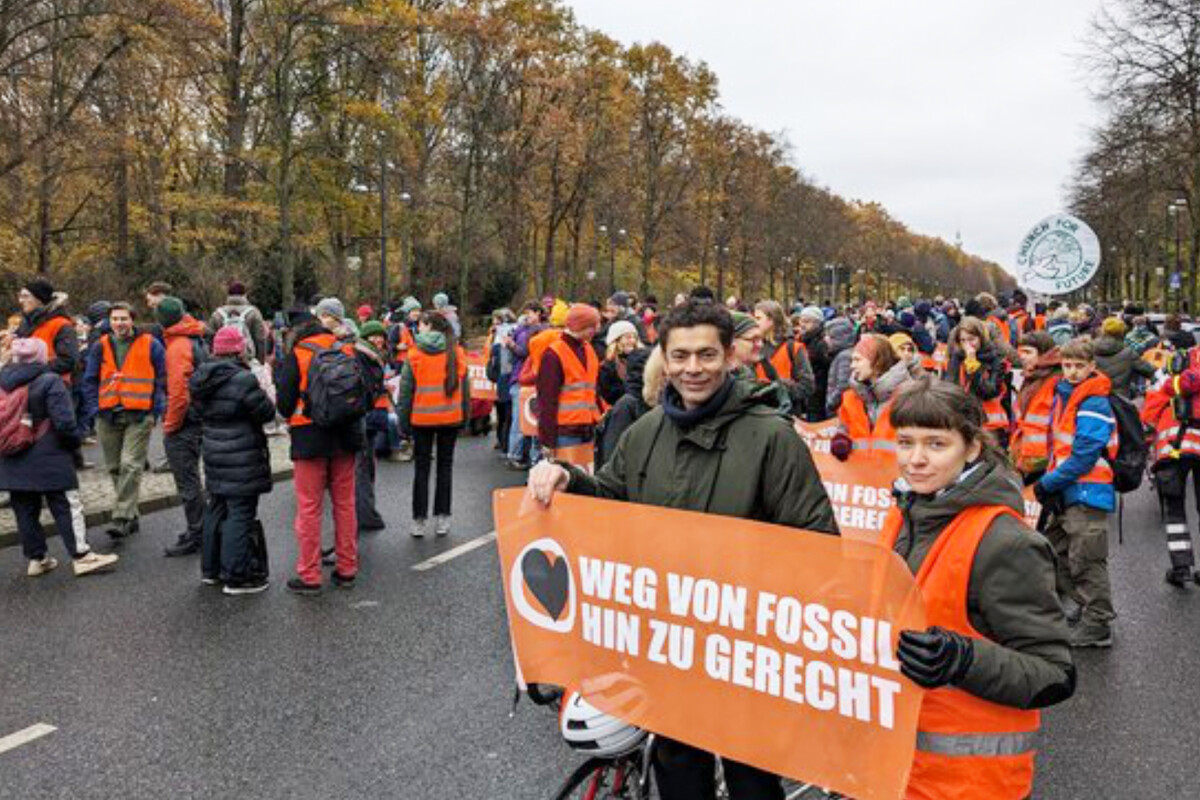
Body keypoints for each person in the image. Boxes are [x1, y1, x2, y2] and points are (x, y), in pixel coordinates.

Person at [527, 299, 836, 800]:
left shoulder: (772, 439)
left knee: (752, 782)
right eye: (681, 356)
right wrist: (569, 481)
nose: (693, 369)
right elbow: (611, 502)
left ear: (730, 356)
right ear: (664, 360)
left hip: (744, 651)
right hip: (669, 649)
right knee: (678, 776)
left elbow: (817, 545)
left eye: (707, 355)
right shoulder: (645, 433)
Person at [882, 377, 1074, 800]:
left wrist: (962, 658)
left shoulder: (1005, 541)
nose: (915, 460)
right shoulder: (903, 515)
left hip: (971, 785)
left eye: (936, 444)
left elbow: (1054, 673)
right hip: (897, 774)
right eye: (905, 442)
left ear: (971, 448)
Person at [0, 338, 119, 577]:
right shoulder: (49, 381)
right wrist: (74, 446)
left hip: (10, 455)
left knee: (24, 509)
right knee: (66, 504)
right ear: (42, 357)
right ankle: (82, 556)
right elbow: (65, 423)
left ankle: (37, 559)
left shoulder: (2, 381)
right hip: (49, 454)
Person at [275, 297, 364, 595]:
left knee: (310, 508)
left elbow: (285, 404)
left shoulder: (299, 353)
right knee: (345, 503)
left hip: (309, 436)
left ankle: (310, 575)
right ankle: (347, 568)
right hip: (347, 434)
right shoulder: (346, 347)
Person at [1034, 339, 1118, 647]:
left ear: (1092, 367)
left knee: (1086, 558)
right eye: (1067, 365)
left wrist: (1049, 483)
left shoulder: (1094, 400)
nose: (1072, 371)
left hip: (1088, 490)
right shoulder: (1065, 394)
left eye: (1079, 366)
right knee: (1053, 552)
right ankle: (1086, 605)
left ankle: (1098, 623)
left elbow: (1084, 455)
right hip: (1070, 490)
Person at [189, 326, 276, 594]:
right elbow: (266, 413)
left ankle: (211, 570)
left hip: (214, 452)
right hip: (242, 454)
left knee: (217, 508)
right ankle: (237, 576)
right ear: (239, 349)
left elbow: (195, 414)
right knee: (240, 513)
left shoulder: (200, 378)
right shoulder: (242, 379)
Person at [82, 303, 167, 540]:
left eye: (124, 319)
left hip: (139, 415)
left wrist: (154, 410)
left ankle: (120, 517)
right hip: (108, 414)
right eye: (115, 319)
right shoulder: (101, 346)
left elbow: (162, 377)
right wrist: (94, 410)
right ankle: (132, 515)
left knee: (131, 464)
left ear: (133, 320)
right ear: (109, 322)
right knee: (114, 468)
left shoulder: (151, 344)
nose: (119, 323)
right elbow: (89, 380)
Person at [397, 311, 469, 537]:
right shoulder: (456, 352)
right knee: (445, 468)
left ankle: (418, 520)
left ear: (429, 325)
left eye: (420, 324)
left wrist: (403, 423)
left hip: (421, 419)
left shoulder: (415, 353)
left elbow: (406, 393)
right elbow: (465, 391)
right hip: (450, 418)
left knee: (421, 469)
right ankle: (443, 518)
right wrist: (464, 418)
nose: (418, 328)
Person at [1142, 349, 1200, 587]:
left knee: (1174, 508)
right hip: (1177, 445)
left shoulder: (1171, 373)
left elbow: (1150, 410)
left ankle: (1181, 568)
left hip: (1173, 446)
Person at [156, 297, 209, 557]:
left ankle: (197, 532)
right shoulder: (196, 336)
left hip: (185, 423)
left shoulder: (177, 346)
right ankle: (202, 528)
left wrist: (170, 425)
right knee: (196, 480)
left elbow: (179, 393)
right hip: (201, 417)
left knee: (187, 482)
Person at [831, 333, 914, 460]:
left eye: (857, 360)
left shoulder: (911, 396)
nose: (852, 365)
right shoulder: (850, 397)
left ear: (877, 362)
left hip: (899, 476)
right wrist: (840, 440)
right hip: (862, 475)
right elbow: (844, 428)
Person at [535, 304, 601, 461]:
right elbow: (546, 401)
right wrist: (548, 441)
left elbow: (593, 390)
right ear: (581, 326)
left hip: (587, 430)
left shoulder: (588, 349)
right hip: (564, 433)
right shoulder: (554, 354)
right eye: (593, 326)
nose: (596, 330)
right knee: (565, 482)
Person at [945, 317, 1010, 447]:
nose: (967, 345)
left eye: (971, 339)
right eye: (963, 340)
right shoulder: (956, 359)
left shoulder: (995, 359)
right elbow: (950, 387)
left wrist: (973, 365)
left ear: (981, 338)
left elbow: (989, 391)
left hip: (988, 423)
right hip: (962, 419)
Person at [353, 320, 389, 533]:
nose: (378, 340)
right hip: (365, 417)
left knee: (366, 466)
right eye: (373, 337)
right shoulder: (364, 357)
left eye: (380, 336)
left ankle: (365, 512)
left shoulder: (373, 356)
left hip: (369, 417)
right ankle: (365, 514)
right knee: (363, 467)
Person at [1010, 332, 1061, 482]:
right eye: (1021, 352)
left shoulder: (1056, 381)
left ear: (1044, 354)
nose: (1022, 357)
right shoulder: (1031, 378)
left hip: (1045, 459)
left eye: (1028, 352)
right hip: (1028, 456)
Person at [753, 300, 815, 416]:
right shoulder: (752, 347)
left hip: (786, 415)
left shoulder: (793, 347)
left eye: (758, 318)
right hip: (757, 414)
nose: (754, 322)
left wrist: (776, 388)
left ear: (771, 320)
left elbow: (807, 387)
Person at [16, 278, 79, 382]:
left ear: (39, 300)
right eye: (20, 296)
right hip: (25, 385)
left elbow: (69, 361)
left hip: (53, 388)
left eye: (25, 296)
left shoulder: (62, 324)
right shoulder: (25, 324)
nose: (20, 301)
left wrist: (34, 370)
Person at [210, 280, 268, 362]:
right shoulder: (253, 313)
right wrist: (260, 361)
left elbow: (210, 339)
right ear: (245, 295)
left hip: (221, 361)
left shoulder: (217, 314)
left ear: (228, 295)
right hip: (246, 360)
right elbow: (260, 339)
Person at [794, 306, 830, 422]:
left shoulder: (821, 344)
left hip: (817, 398)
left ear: (817, 323)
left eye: (807, 321)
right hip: (805, 396)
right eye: (801, 321)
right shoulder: (802, 339)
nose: (802, 324)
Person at [598, 319, 641, 409]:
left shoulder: (641, 361)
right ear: (616, 340)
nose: (632, 341)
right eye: (628, 337)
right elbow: (609, 396)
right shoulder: (606, 367)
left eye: (635, 337)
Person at [823, 316, 856, 418]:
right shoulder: (841, 354)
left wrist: (830, 403)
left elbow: (843, 386)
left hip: (839, 410)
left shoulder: (844, 356)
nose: (825, 339)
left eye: (829, 336)